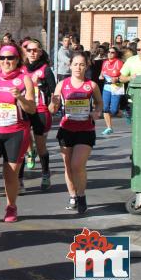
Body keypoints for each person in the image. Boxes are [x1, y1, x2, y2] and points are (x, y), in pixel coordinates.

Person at [0, 42, 36, 222]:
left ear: (17, 59)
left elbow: (32, 108)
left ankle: (11, 206)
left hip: (16, 132)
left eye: (10, 58)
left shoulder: (24, 79)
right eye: (2, 58)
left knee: (10, 176)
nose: (6, 61)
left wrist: (20, 98)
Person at [49, 52, 102, 213]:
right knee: (68, 166)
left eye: (82, 64)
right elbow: (52, 109)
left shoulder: (91, 85)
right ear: (70, 65)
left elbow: (99, 103)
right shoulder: (62, 85)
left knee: (77, 164)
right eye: (76, 64)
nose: (78, 67)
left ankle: (81, 195)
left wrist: (97, 113)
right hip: (66, 129)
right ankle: (72, 196)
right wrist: (53, 104)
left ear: (86, 66)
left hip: (85, 129)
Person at [18, 39, 56, 191]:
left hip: (40, 110)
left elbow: (54, 90)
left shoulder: (45, 69)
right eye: (29, 50)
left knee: (41, 146)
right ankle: (19, 180)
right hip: (24, 110)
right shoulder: (21, 69)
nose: (32, 53)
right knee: (21, 145)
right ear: (25, 52)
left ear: (40, 52)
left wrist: (53, 103)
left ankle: (45, 174)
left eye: (35, 50)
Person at [100, 46, 124, 135]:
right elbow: (102, 73)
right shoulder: (105, 62)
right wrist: (101, 76)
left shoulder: (119, 63)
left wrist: (117, 78)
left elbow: (124, 76)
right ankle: (109, 127)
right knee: (105, 108)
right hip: (106, 87)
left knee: (113, 110)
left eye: (112, 52)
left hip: (117, 86)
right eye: (109, 52)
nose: (110, 54)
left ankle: (124, 113)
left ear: (116, 54)